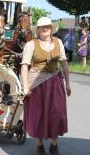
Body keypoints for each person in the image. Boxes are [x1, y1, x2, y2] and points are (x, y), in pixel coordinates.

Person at [21, 17, 71, 155]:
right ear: (37, 29)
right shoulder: (31, 44)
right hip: (37, 83)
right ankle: (39, 145)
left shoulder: (58, 42)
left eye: (47, 26)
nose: (45, 29)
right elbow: (24, 66)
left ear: (51, 28)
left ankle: (54, 145)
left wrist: (67, 84)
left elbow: (64, 63)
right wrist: (25, 87)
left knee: (57, 113)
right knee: (39, 114)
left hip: (55, 81)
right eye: (42, 27)